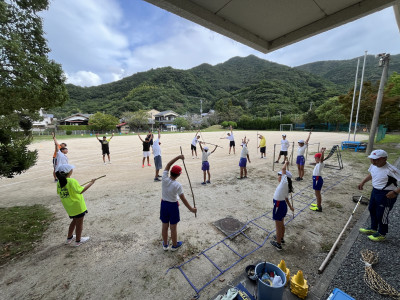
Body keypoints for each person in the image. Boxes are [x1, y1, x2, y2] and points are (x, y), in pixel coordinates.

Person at [358, 149, 400, 241]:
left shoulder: (391, 169)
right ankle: (373, 228)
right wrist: (363, 182)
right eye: (372, 159)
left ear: (384, 159)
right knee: (372, 209)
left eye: (376, 159)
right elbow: (371, 174)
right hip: (375, 191)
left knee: (382, 214)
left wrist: (395, 192)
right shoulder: (374, 165)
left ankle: (382, 233)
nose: (373, 161)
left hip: (386, 194)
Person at [160, 155, 197, 251]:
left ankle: (165, 244)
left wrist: (178, 157)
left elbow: (168, 164)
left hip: (164, 204)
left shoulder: (164, 178)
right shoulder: (178, 185)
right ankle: (174, 245)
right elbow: (183, 199)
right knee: (173, 227)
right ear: (179, 175)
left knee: (164, 225)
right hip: (173, 206)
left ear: (170, 172)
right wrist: (191, 209)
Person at [56, 164, 97, 247]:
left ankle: (69, 238)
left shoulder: (59, 182)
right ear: (69, 172)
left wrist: (76, 187)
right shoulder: (72, 181)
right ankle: (78, 240)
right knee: (79, 223)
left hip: (69, 207)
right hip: (77, 206)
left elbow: (62, 192)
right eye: (71, 169)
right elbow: (81, 191)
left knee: (74, 221)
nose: (72, 170)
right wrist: (91, 183)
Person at [270, 159, 294, 251]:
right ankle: (281, 237)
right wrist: (291, 207)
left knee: (278, 225)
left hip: (278, 206)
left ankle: (278, 243)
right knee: (282, 223)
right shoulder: (285, 185)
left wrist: (285, 163)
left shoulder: (284, 183)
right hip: (283, 205)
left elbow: (283, 169)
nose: (278, 177)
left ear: (284, 177)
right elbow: (286, 198)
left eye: (279, 175)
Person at [309, 148, 326, 212]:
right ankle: (318, 204)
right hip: (316, 179)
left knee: (317, 193)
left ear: (319, 159)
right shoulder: (318, 163)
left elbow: (321, 159)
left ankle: (319, 207)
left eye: (316, 158)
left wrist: (322, 152)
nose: (315, 159)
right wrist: (320, 152)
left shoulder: (320, 163)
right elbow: (320, 158)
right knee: (316, 193)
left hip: (317, 179)